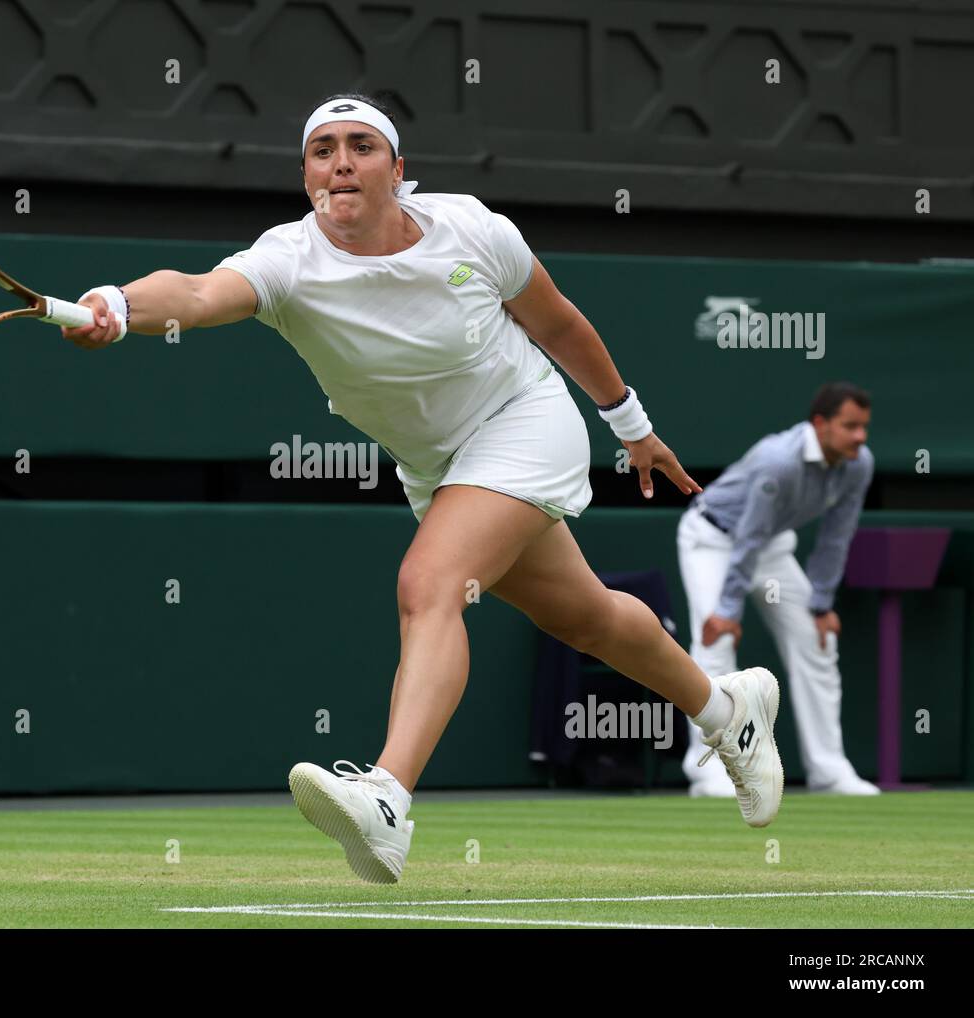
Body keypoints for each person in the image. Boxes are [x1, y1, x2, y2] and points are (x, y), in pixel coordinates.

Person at [63, 92, 783, 883]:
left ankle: (388, 799)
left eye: (361, 146)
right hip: (437, 464)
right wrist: (121, 304)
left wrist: (632, 425)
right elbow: (197, 294)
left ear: (398, 170)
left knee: (429, 583)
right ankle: (727, 711)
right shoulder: (287, 259)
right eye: (323, 149)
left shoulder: (472, 229)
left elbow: (560, 324)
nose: (341, 161)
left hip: (523, 421)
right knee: (587, 618)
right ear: (307, 175)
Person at [678, 383, 879, 797]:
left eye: (864, 427)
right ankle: (709, 772)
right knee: (715, 643)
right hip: (713, 540)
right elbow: (746, 538)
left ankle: (829, 769)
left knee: (817, 639)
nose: (860, 437)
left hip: (770, 548)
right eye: (850, 427)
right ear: (820, 424)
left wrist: (822, 602)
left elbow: (837, 536)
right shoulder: (779, 461)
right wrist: (728, 610)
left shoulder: (859, 464)